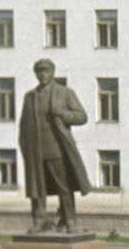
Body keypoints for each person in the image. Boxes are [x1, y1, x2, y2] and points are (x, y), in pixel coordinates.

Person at [17, 58, 91, 233]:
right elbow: (23, 124)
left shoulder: (64, 93)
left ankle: (69, 220)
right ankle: (39, 220)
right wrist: (25, 147)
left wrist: (63, 113)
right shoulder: (30, 97)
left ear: (53, 73)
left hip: (57, 148)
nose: (43, 74)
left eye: (46, 71)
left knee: (63, 187)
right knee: (37, 188)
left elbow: (82, 116)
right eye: (39, 71)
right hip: (35, 150)